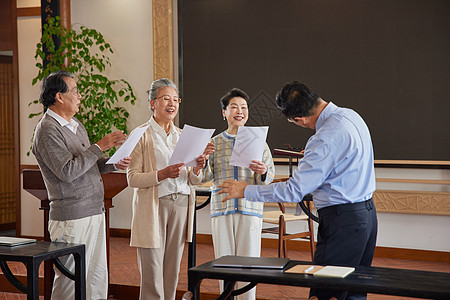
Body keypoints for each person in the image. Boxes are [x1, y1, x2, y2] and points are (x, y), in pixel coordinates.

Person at [219, 81, 377, 300]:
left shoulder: (323, 139)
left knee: (326, 292)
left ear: (298, 119)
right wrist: (315, 160)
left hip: (344, 222)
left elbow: (294, 191)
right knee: (354, 292)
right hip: (367, 216)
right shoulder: (350, 116)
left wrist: (246, 190)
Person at [32, 70, 130, 300]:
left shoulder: (75, 124)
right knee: (69, 282)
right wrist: (99, 145)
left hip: (94, 210)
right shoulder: (47, 129)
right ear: (59, 97)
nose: (79, 96)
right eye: (75, 91)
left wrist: (114, 164)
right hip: (71, 217)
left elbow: (88, 164)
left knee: (96, 277)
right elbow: (67, 172)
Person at [127, 78, 214, 300]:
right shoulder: (141, 134)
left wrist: (198, 167)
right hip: (154, 206)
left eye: (175, 99)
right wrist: (162, 174)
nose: (172, 103)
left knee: (172, 269)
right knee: (152, 269)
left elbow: (194, 181)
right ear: (152, 103)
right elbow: (132, 178)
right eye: (166, 98)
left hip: (182, 203)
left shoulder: (184, 135)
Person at [203, 88, 275, 300]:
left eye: (244, 107)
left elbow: (269, 175)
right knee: (223, 264)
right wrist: (203, 160)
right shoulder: (213, 143)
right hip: (221, 208)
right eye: (234, 107)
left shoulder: (259, 140)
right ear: (223, 112)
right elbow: (205, 176)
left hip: (249, 208)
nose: (240, 111)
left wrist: (263, 172)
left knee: (249, 265)